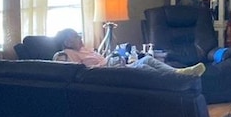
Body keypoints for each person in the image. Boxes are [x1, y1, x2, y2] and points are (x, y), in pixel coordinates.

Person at [54, 29, 207, 76]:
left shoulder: (83, 49)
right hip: (106, 71)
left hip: (111, 63)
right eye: (75, 36)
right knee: (142, 68)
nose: (80, 37)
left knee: (146, 59)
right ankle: (177, 77)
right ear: (67, 42)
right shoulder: (65, 54)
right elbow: (63, 68)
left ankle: (178, 73)